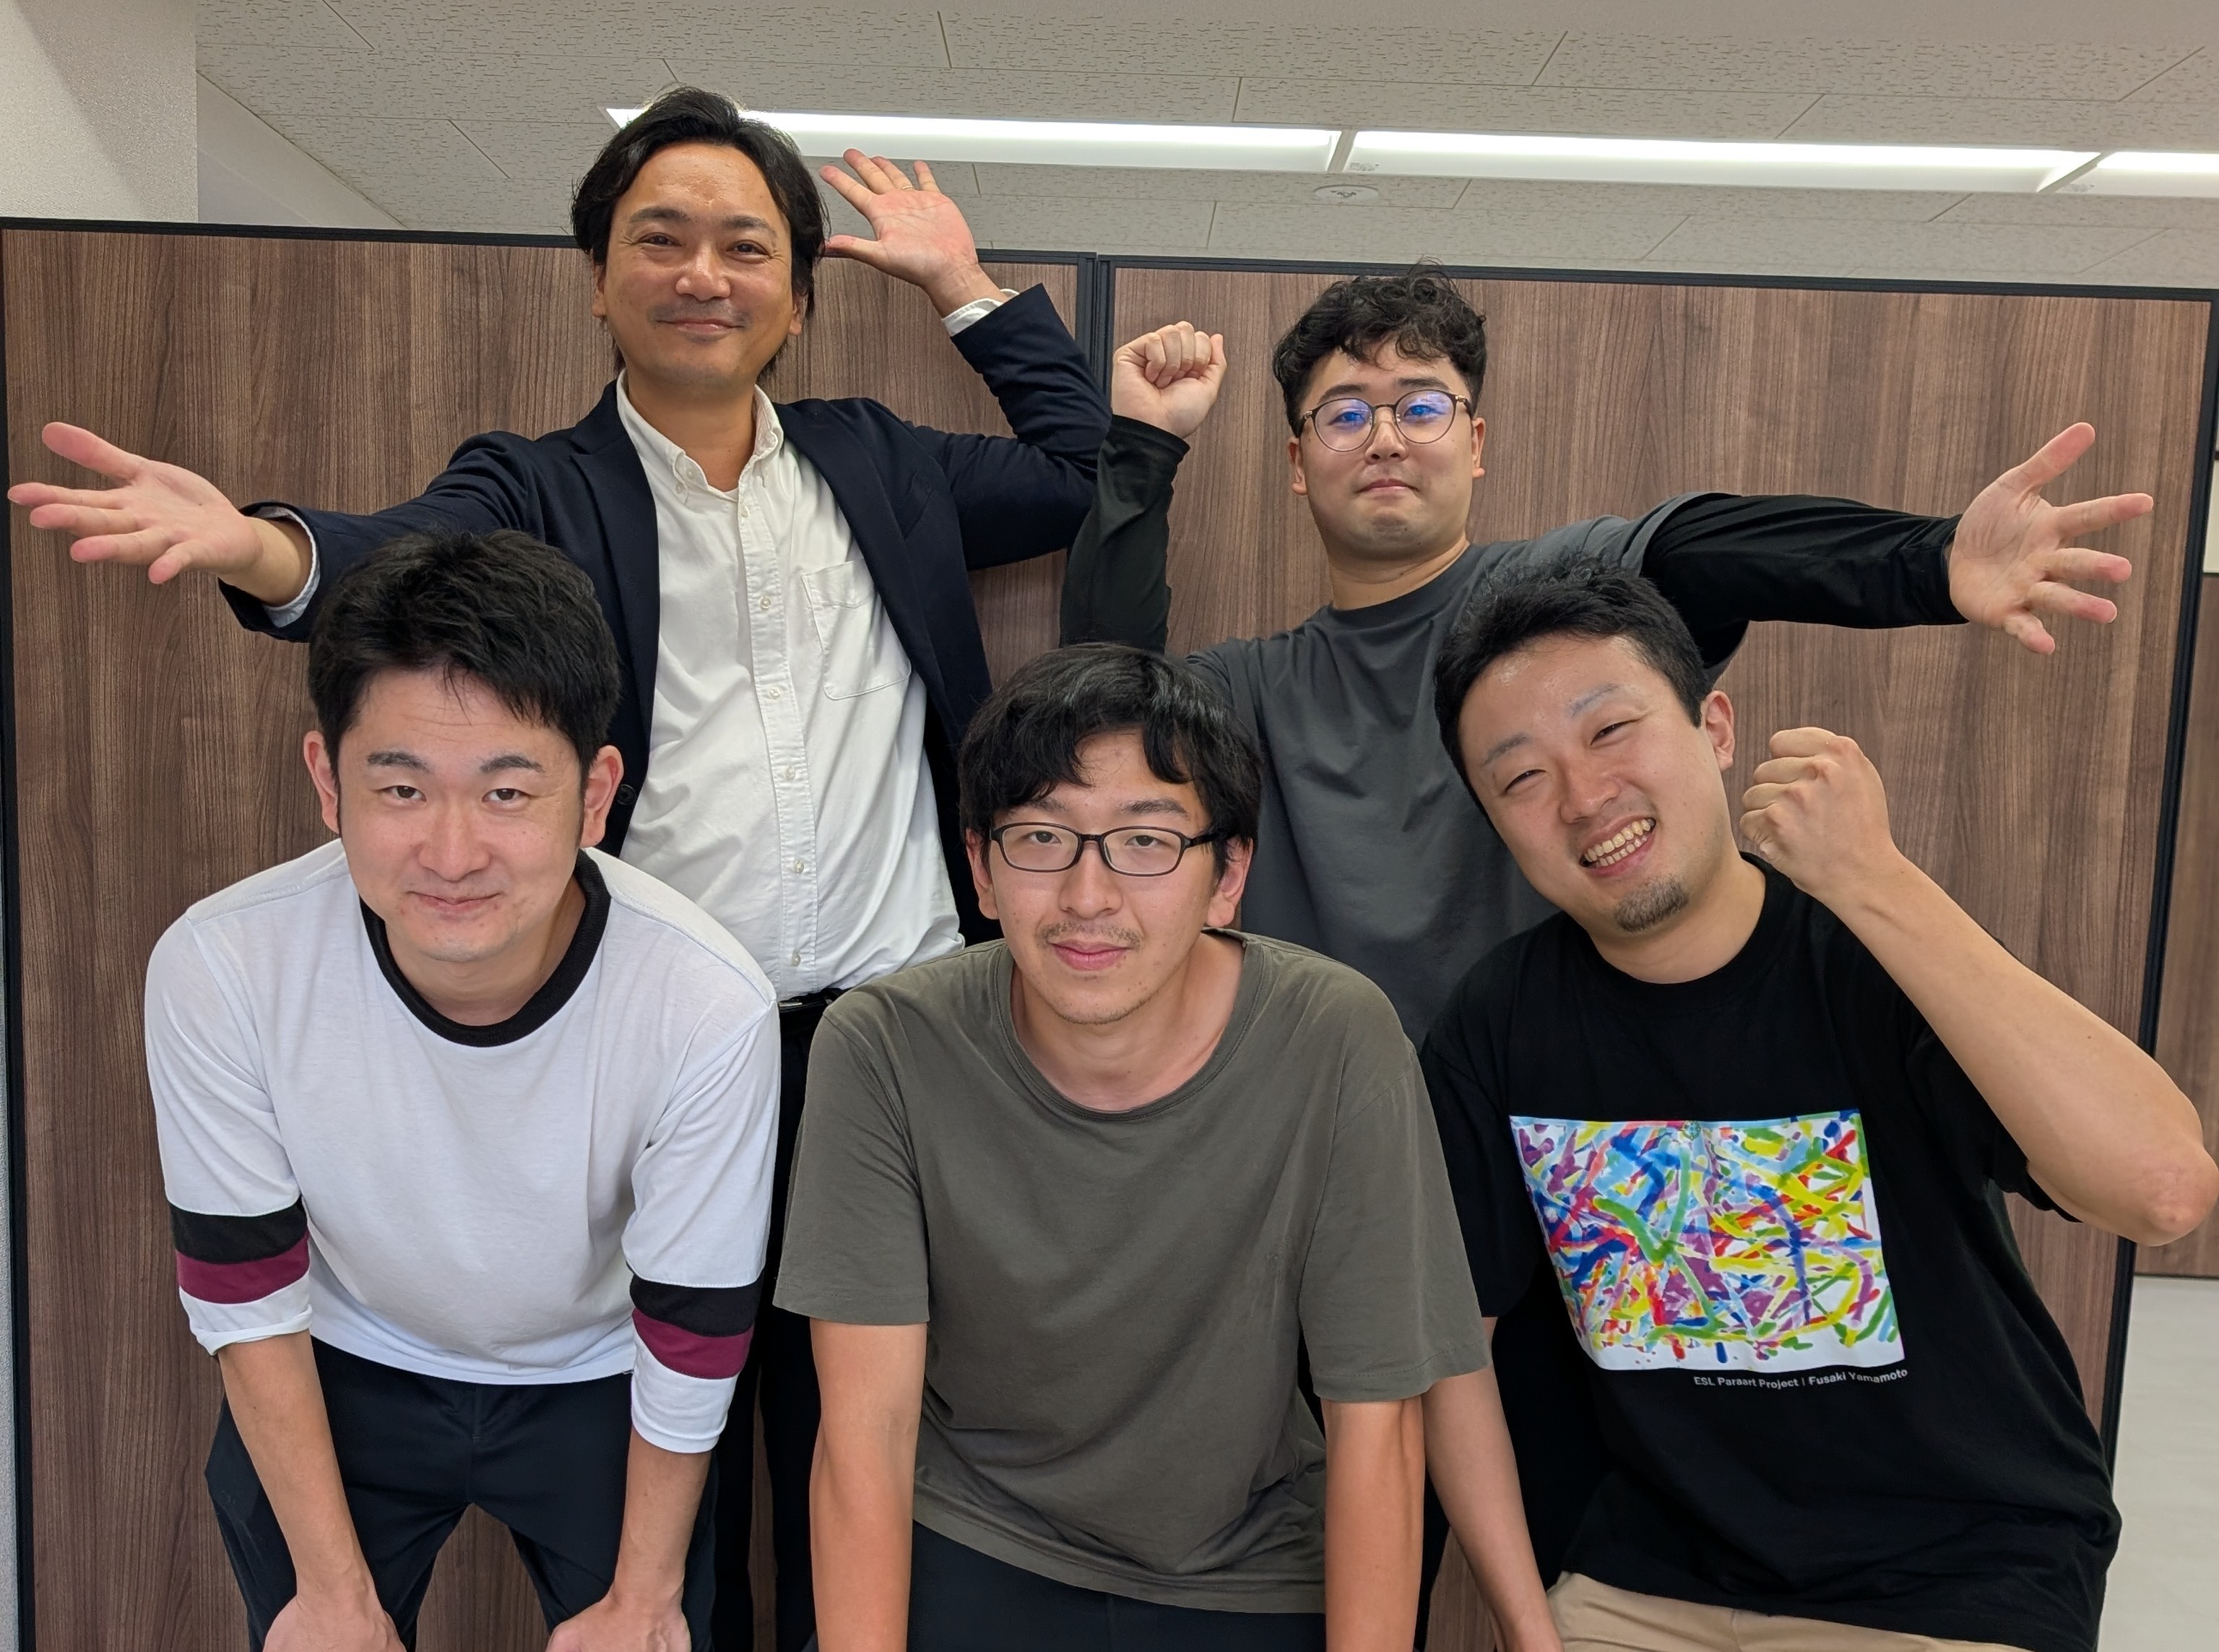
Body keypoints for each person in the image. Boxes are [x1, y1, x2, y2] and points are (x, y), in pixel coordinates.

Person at [15, 88, 1108, 1650]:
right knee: (682, 1442)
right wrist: (261, 551)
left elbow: (1081, 472)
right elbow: (397, 560)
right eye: (660, 239)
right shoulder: (544, 486)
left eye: (747, 246)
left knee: (861, 1450)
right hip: (658, 1043)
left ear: (800, 295)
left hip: (892, 1042)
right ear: (598, 279)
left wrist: (962, 285)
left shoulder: (879, 461)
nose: (702, 274)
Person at [1065, 271, 2153, 1611]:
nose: (1386, 436)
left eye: (1421, 405)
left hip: (1590, 1204)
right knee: (1352, 1576)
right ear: (1298, 464)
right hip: (1353, 1210)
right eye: (1344, 414)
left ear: (1477, 441)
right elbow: (1099, 721)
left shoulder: (1547, 610)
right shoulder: (1251, 689)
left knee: (1586, 1562)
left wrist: (1931, 565)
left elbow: (1709, 545)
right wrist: (1144, 445)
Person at [1421, 566, 2219, 1652]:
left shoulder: (1871, 955)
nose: (1583, 796)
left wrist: (1873, 878)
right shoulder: (1499, 1022)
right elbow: (1452, 1352)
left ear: (1715, 728)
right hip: (1643, 1588)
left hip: (1957, 1577)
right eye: (1522, 777)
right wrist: (1528, 1628)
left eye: (1611, 730)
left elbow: (2164, 1192)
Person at [777, 643, 1498, 1651]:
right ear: (980, 867)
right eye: (1041, 838)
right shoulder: (885, 1047)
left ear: (1227, 876)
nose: (1089, 897)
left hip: (1246, 1569)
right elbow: (864, 1434)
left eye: (1146, 842)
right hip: (972, 1533)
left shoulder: (1337, 1037)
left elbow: (1378, 1424)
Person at [145, 530, 782, 1652]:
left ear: (594, 795)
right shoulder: (224, 965)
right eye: (401, 788)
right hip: (341, 1356)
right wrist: (333, 1596)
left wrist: (643, 1602)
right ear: (327, 781)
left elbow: (693, 1330)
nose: (451, 853)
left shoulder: (702, 1000)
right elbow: (245, 1297)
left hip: (606, 1370)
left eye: (506, 791)